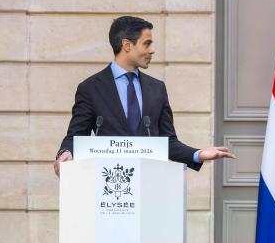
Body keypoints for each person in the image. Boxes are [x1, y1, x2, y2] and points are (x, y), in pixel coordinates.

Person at [53, 16, 234, 176]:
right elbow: (75, 136)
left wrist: (198, 154)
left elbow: (168, 142)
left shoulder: (157, 88)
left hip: (150, 185)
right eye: (147, 43)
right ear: (126, 45)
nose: (152, 50)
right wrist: (65, 152)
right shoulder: (91, 88)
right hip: (108, 190)